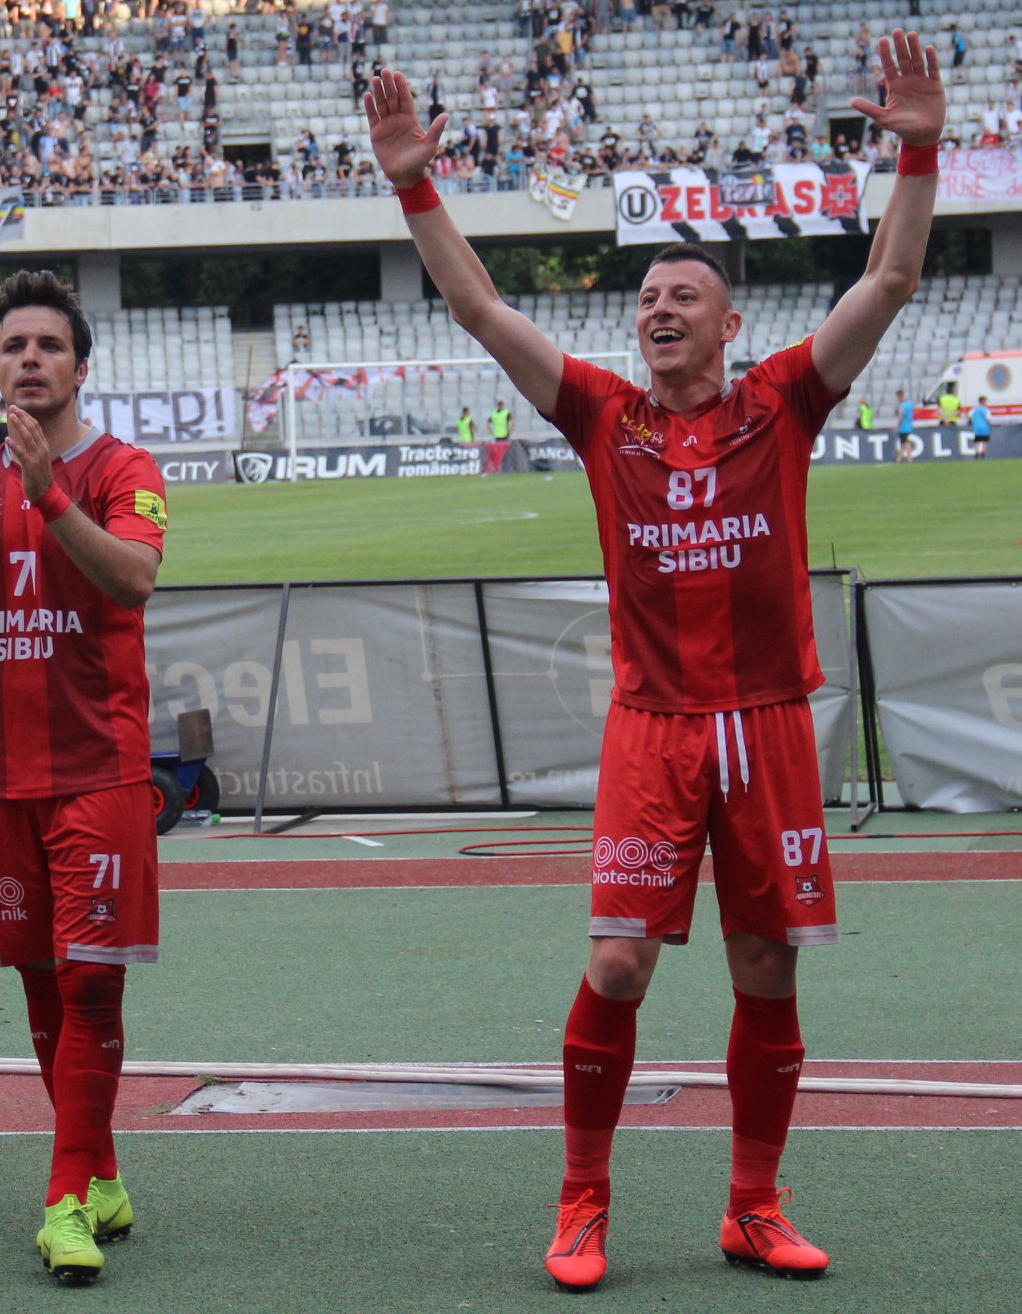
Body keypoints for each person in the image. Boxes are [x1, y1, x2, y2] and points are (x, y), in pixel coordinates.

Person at [366, 26, 943, 1291]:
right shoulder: (599, 416)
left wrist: (920, 154)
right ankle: (582, 1202)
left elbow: (890, 282)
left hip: (770, 723)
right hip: (657, 726)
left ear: (730, 323)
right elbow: (476, 306)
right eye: (645, 301)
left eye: (681, 297)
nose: (656, 311)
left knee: (764, 964)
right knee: (619, 962)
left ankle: (753, 1204)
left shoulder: (784, 400)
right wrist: (416, 181)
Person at [0, 272, 167, 1286]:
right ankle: (98, 1172)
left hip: (98, 766)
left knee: (94, 983)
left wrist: (49, 487)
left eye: (48, 346)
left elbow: (132, 579)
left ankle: (63, 1204)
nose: (29, 360)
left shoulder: (121, 465)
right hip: (0, 779)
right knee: (44, 986)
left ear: (80, 365)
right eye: (14, 346)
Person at [896, 387, 918, 460]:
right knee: (902, 442)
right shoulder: (909, 404)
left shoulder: (903, 405)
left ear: (900, 396)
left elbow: (901, 416)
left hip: (903, 426)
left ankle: (910, 458)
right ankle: (899, 458)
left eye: (898, 397)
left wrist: (897, 425)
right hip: (909, 425)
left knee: (905, 442)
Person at [969, 393, 992, 457]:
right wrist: (990, 425)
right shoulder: (986, 410)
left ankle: (976, 453)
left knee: (977, 441)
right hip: (985, 427)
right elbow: (988, 419)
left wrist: (974, 421)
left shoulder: (974, 409)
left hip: (977, 427)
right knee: (985, 441)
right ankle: (983, 454)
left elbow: (969, 415)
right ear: (983, 402)